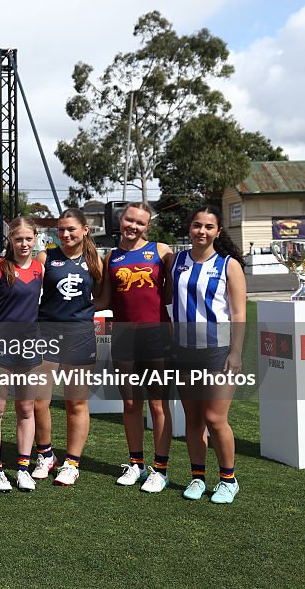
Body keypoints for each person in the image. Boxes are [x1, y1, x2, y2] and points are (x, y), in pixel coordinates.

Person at [170, 206, 246, 504]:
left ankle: (228, 479)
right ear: (190, 228)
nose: (201, 231)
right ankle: (198, 477)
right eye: (196, 225)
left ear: (218, 231)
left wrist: (236, 353)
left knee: (215, 418)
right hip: (183, 352)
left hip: (218, 352)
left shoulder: (229, 265)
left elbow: (239, 313)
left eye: (208, 227)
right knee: (193, 420)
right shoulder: (176, 261)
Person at [97, 202, 174, 493]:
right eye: (130, 220)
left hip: (156, 337)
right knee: (130, 404)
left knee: (157, 404)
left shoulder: (161, 251)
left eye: (140, 223)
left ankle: (161, 469)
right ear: (121, 220)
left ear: (147, 227)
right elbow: (104, 301)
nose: (133, 226)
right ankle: (136, 464)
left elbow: (170, 292)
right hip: (123, 337)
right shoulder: (111, 257)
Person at [31, 208, 103, 487]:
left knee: (76, 402)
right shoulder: (45, 256)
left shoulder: (94, 259)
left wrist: (79, 315)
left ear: (85, 229)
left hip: (81, 337)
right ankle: (45, 455)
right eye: (61, 229)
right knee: (39, 400)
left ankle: (72, 462)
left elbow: (103, 297)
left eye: (71, 229)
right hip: (46, 335)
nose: (65, 234)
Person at [0, 217, 43, 493]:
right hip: (1, 347)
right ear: (10, 240)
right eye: (18, 239)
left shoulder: (40, 268)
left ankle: (23, 468)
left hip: (30, 348)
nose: (24, 244)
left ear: (35, 238)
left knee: (26, 409)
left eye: (29, 238)